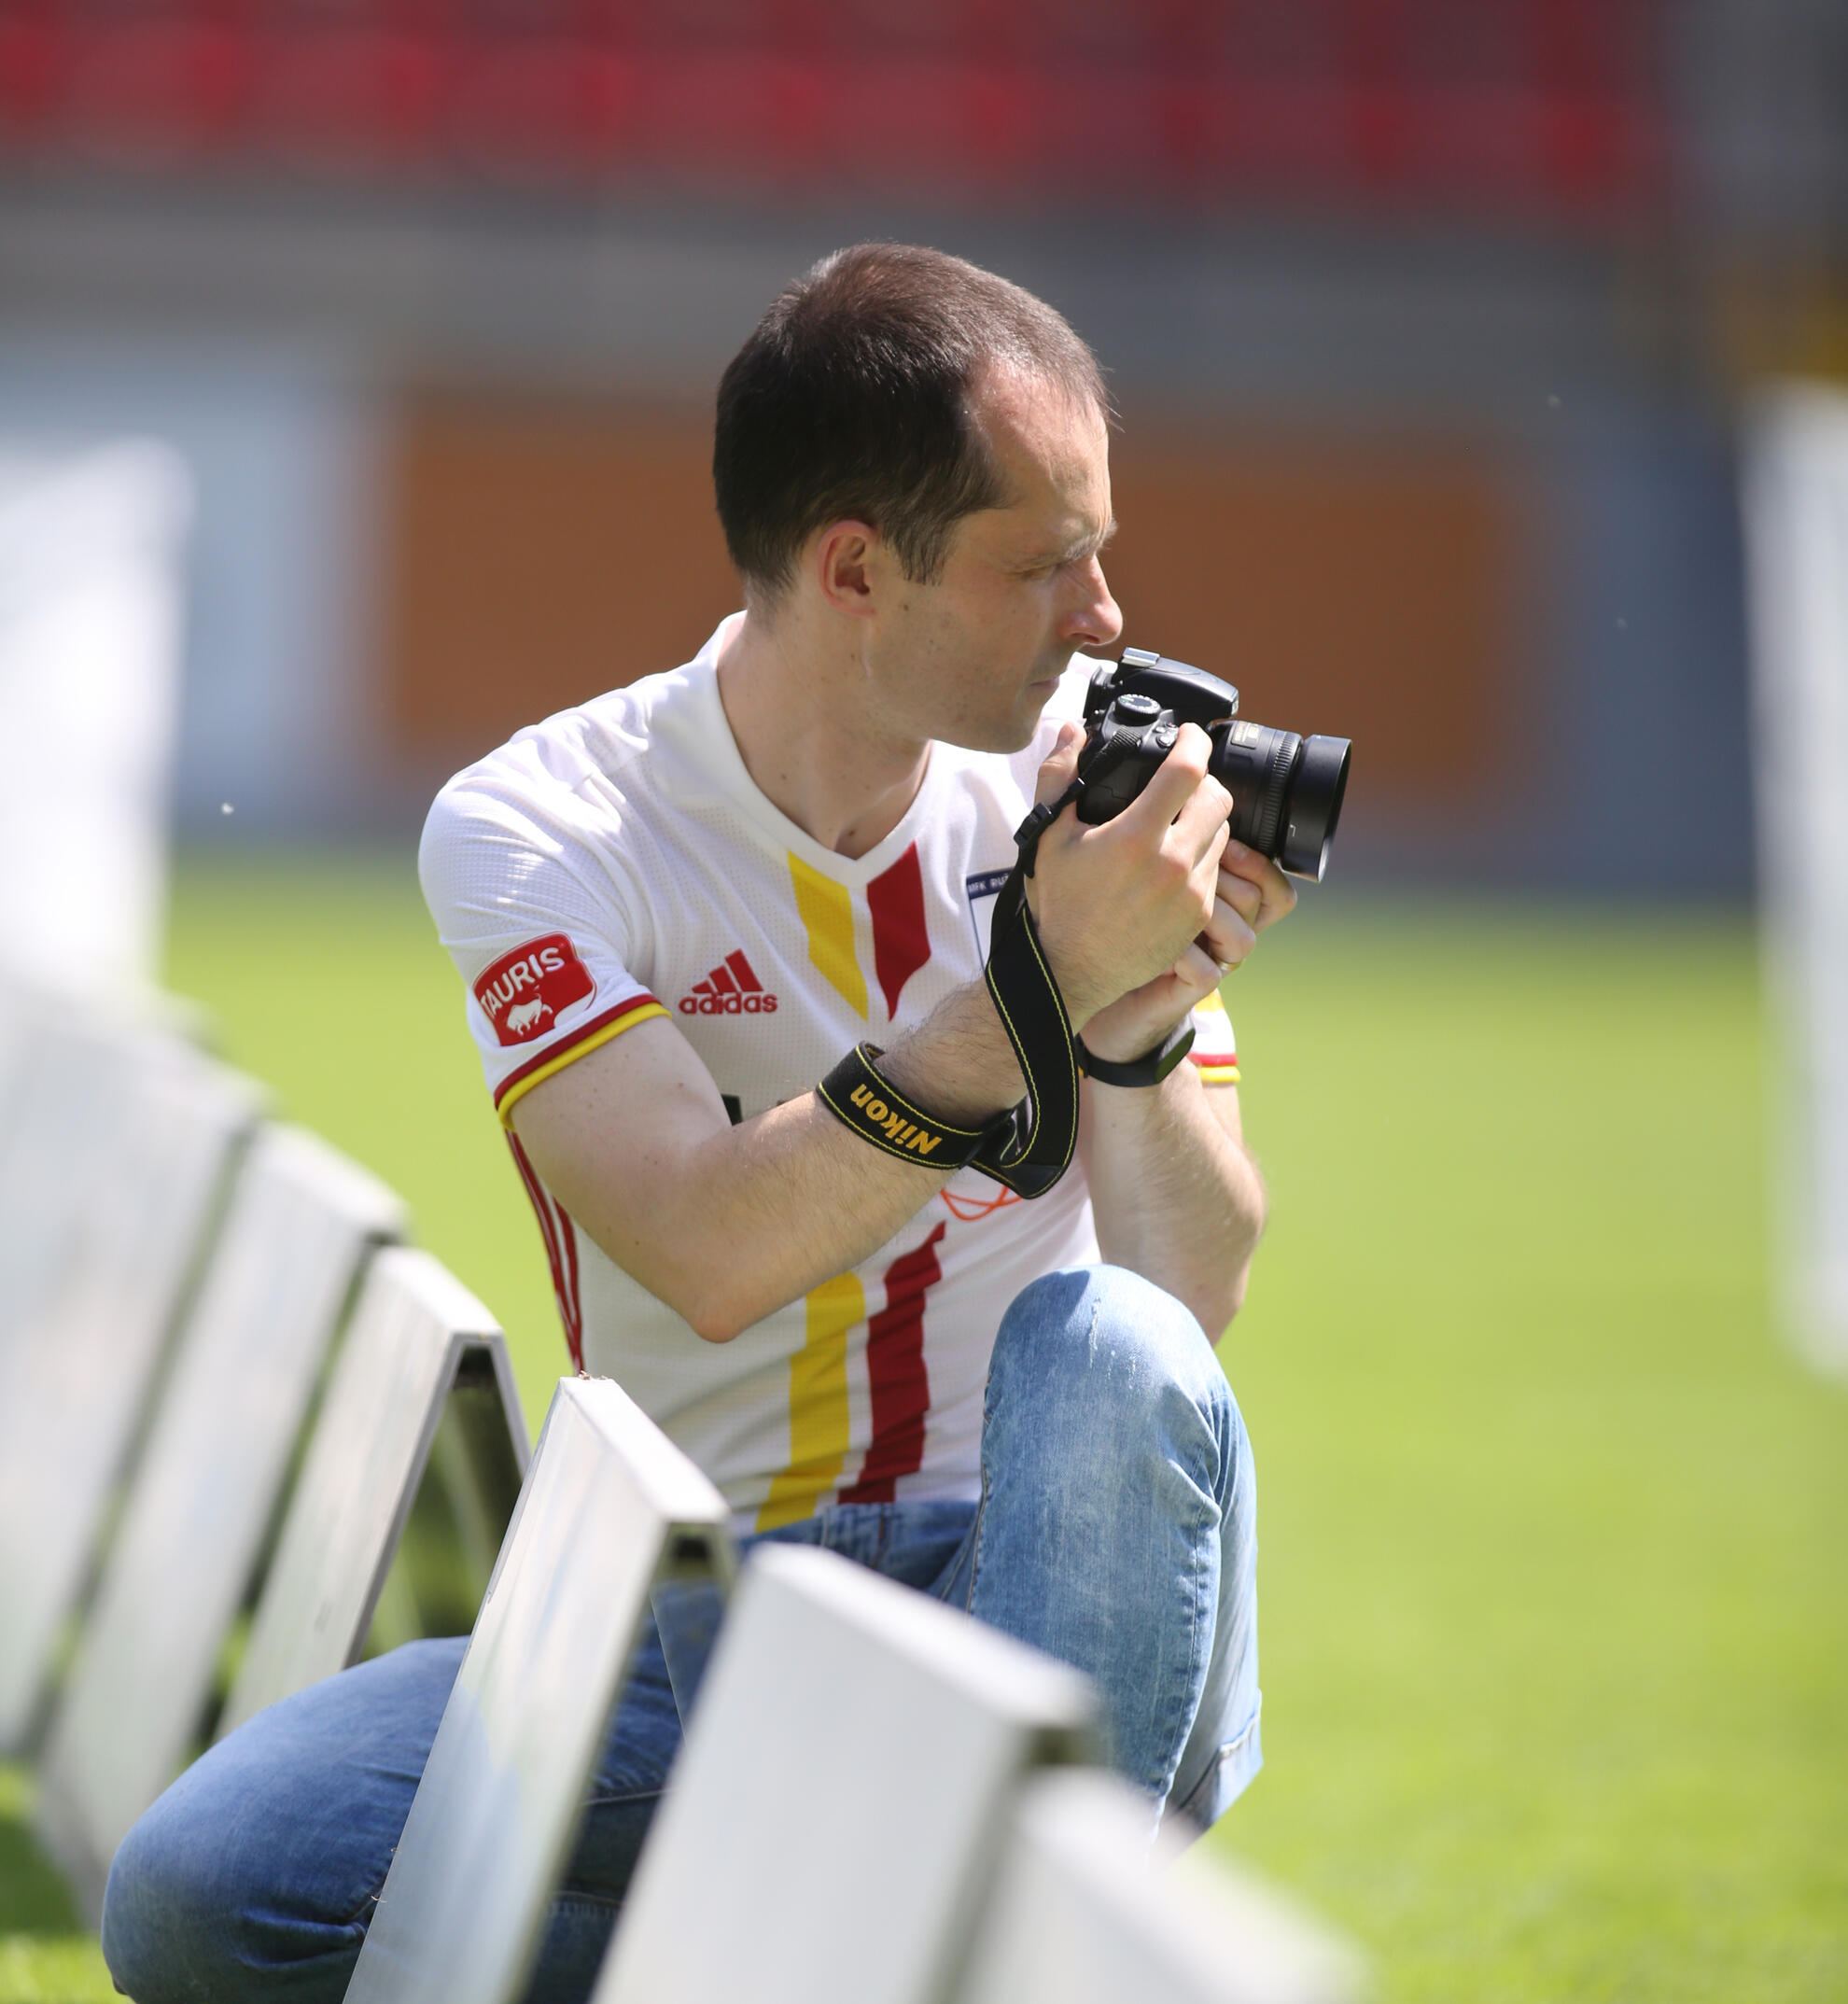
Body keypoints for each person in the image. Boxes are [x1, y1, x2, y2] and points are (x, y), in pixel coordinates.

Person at [101, 243, 1296, 2004]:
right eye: (1047, 563)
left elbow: (1195, 1294)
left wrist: (1130, 1020)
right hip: (701, 1609)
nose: (1106, 614)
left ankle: (963, 1953)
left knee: (1108, 1339)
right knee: (203, 1901)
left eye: (1099, 550)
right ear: (855, 571)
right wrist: (1029, 985)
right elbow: (711, 1246)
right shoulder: (543, 826)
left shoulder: (1076, 784)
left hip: (1049, 1581)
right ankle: (908, 1960)